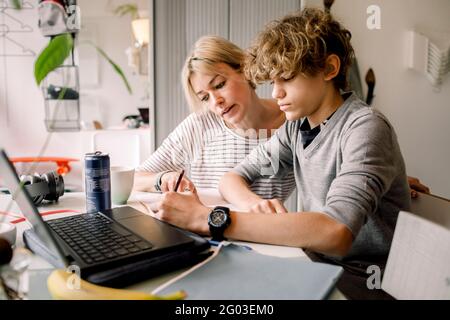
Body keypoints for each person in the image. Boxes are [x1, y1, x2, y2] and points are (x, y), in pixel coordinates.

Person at [151, 8, 412, 299]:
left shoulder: (365, 128)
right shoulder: (297, 128)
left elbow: (334, 232)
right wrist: (252, 205)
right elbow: (232, 178)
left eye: (285, 78)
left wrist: (209, 218)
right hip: (315, 262)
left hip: (363, 279)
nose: (275, 93)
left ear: (329, 69)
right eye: (273, 81)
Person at [133, 35, 295, 201]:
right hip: (201, 225)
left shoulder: (292, 122)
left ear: (244, 69)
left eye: (219, 85)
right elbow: (134, 179)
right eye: (204, 98)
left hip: (263, 226)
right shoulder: (199, 126)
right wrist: (162, 179)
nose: (216, 101)